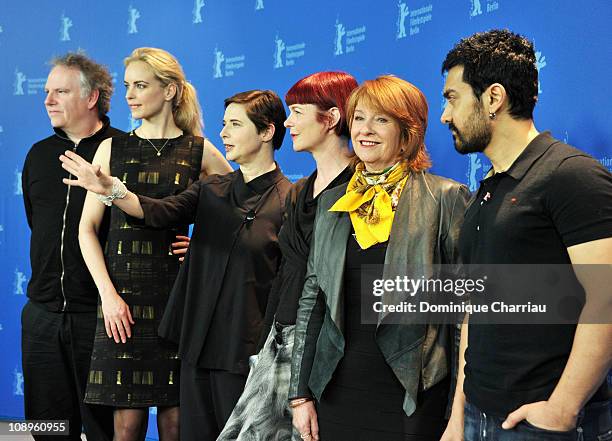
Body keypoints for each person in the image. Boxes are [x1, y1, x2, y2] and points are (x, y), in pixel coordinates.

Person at [60, 89, 292, 441]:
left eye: (235, 124)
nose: (224, 133)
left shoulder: (290, 198)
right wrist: (112, 190)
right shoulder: (212, 188)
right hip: (196, 345)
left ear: (266, 132)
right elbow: (160, 211)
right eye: (223, 124)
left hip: (245, 350)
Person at [439, 29, 612, 441]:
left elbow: (607, 296)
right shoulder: (487, 189)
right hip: (480, 417)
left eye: (452, 98)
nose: (445, 116)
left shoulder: (571, 175)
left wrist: (563, 409)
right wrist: (459, 416)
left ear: (493, 98)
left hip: (543, 426)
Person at [289, 75, 470, 441]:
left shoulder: (446, 198)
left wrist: (458, 408)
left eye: (381, 120)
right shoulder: (332, 203)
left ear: (408, 132)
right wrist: (299, 394)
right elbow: (313, 301)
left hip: (413, 391)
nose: (365, 130)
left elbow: (462, 312)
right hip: (337, 388)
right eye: (358, 118)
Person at [76, 47, 231, 441]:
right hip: (122, 303)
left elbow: (243, 215)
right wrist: (108, 297)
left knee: (176, 423)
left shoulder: (200, 151)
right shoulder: (113, 148)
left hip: (180, 301)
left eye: (141, 85)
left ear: (170, 91)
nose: (130, 94)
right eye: (128, 85)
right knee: (125, 427)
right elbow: (87, 230)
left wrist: (200, 248)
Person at [218, 71, 357, 440]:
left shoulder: (361, 189)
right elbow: (286, 275)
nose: (287, 123)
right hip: (280, 342)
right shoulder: (299, 193)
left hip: (325, 350)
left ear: (331, 119)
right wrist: (266, 345)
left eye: (296, 112)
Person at [21, 52, 121, 441]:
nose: (47, 100)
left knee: (104, 431)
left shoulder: (124, 151)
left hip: (100, 320)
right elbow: (37, 224)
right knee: (43, 429)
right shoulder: (37, 155)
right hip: (42, 318)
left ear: (92, 97)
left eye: (60, 91)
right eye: (47, 92)